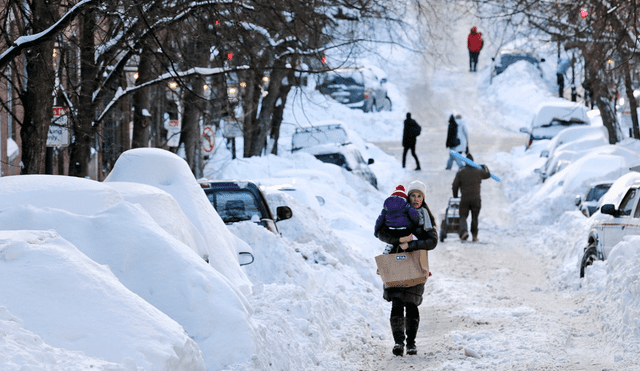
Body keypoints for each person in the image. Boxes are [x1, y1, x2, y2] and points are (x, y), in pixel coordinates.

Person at [375, 180, 438, 357]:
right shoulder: (395, 212)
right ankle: (398, 343)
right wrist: (398, 241)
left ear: (423, 198)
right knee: (396, 303)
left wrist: (411, 244)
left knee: (411, 303)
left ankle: (411, 343)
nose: (416, 199)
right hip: (395, 261)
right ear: (408, 196)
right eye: (413, 195)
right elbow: (380, 232)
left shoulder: (424, 216)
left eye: (420, 196)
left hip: (416, 263)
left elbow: (432, 241)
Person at [452, 153, 490, 242]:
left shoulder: (461, 172)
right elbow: (487, 175)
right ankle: (474, 236)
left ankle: (464, 232)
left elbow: (455, 185)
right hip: (476, 199)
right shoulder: (478, 171)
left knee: (463, 216)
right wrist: (485, 167)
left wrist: (455, 195)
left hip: (465, 198)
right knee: (475, 217)